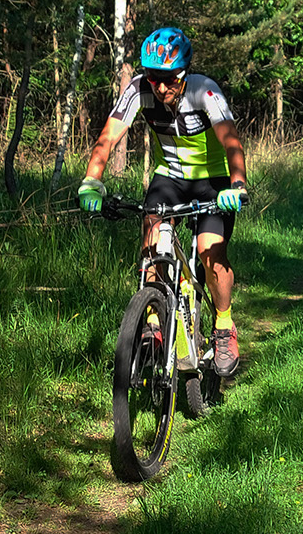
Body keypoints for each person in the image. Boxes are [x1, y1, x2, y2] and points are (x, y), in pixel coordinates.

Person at [78, 26, 247, 377]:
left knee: (210, 251)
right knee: (152, 239)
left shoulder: (204, 90)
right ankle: (154, 318)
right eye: (154, 78)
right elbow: (108, 137)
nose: (161, 87)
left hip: (213, 181)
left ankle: (223, 325)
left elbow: (231, 141)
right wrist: (92, 181)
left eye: (170, 79)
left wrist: (237, 184)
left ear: (184, 74)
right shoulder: (139, 89)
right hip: (169, 177)